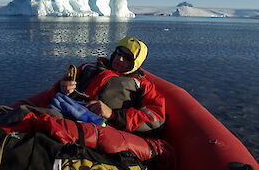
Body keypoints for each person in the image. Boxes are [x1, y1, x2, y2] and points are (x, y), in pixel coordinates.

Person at [11, 36, 166, 134]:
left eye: (127, 58)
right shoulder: (88, 67)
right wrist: (63, 87)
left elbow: (155, 117)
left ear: (135, 64)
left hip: (96, 127)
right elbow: (55, 91)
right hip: (66, 111)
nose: (119, 60)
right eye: (119, 53)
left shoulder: (141, 85)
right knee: (12, 113)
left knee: (26, 117)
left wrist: (112, 114)